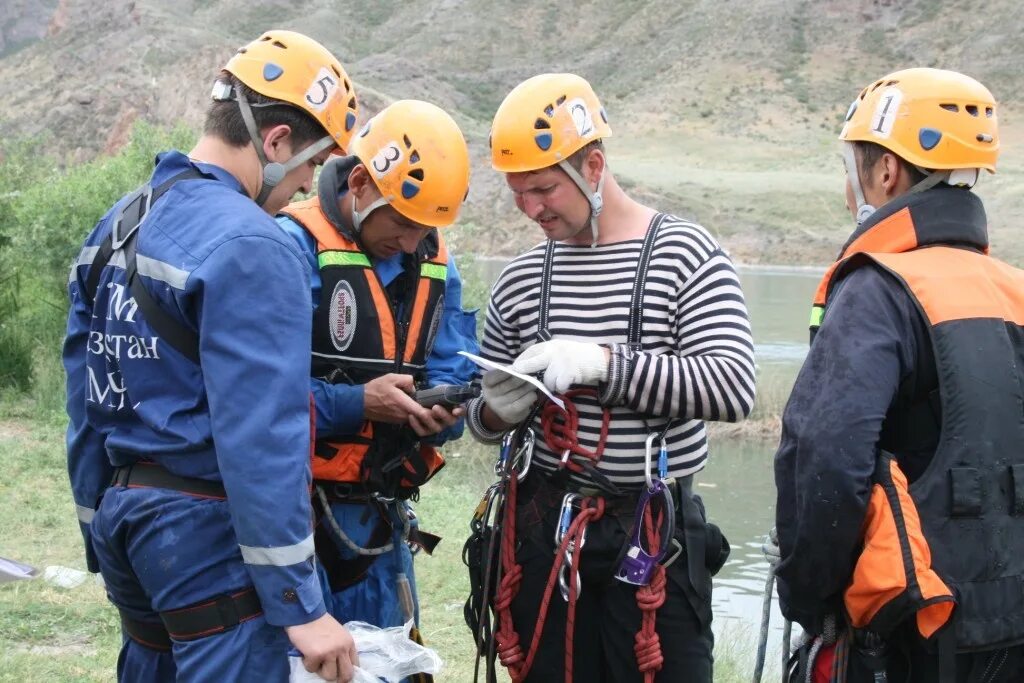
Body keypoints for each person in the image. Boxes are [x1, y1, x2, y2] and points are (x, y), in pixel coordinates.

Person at [63, 30, 361, 682]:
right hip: (205, 541)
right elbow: (263, 432)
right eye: (310, 166)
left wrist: (96, 524)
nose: (307, 187)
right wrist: (299, 603)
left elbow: (84, 398)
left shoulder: (115, 226)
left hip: (128, 527)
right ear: (276, 141)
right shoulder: (255, 244)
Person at [464, 73, 756, 682]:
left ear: (593, 167)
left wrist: (605, 365)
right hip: (545, 534)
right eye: (518, 193)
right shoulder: (521, 280)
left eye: (543, 189)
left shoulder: (686, 256)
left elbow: (731, 386)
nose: (530, 208)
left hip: (653, 534)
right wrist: (498, 410)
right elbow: (481, 418)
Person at [774, 68, 1024, 682]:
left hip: (912, 635)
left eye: (855, 166)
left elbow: (825, 458)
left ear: (886, 171)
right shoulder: (1014, 291)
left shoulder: (877, 291)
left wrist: (810, 599)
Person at [275, 100, 478, 639]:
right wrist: (358, 403)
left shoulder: (435, 260)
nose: (413, 243)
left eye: (426, 228)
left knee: (388, 664)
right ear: (361, 183)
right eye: (404, 223)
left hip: (380, 521)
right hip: (293, 515)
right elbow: (251, 399)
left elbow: (451, 367)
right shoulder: (288, 247)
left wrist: (446, 414)